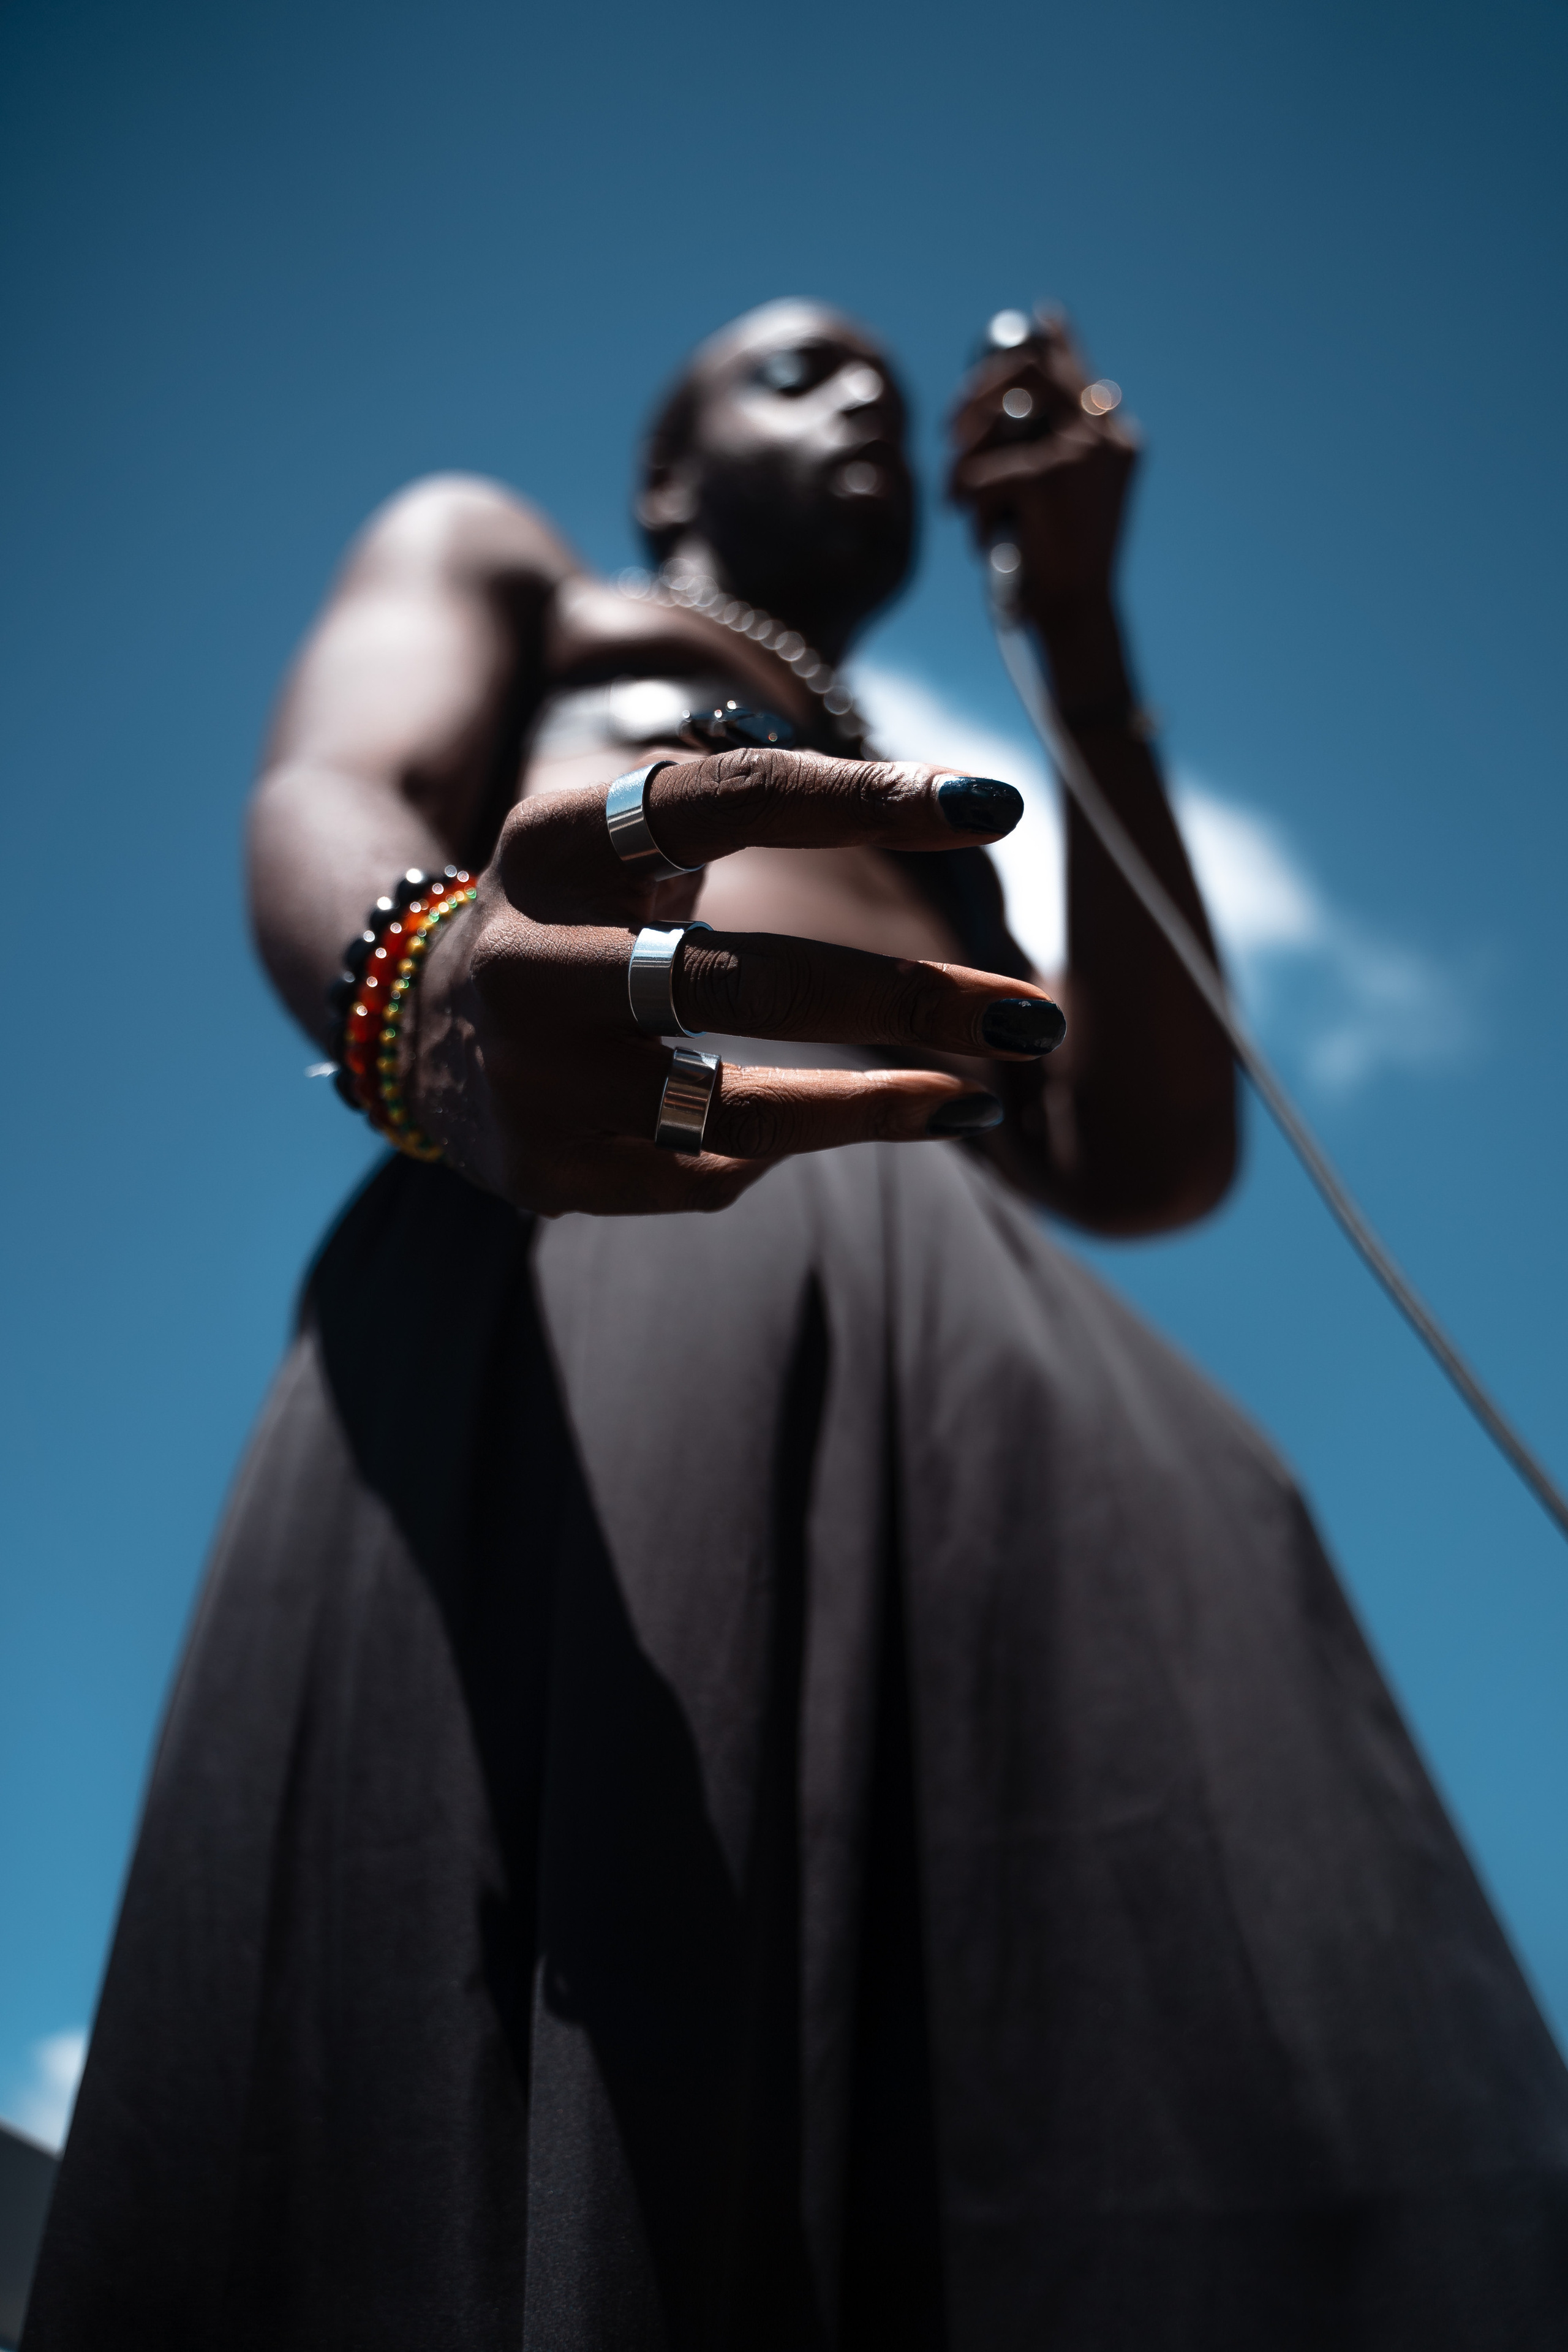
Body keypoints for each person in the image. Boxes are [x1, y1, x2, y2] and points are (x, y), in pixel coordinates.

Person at [23, 303, 1568, 2350]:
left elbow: (1150, 1154)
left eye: (874, 380)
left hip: (998, 1371)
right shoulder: (510, 564)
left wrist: (1083, 640)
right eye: (789, 373)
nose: (857, 399)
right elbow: (331, 780)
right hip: (597, 1254)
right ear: (668, 477)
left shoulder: (929, 803)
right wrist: (432, 985)